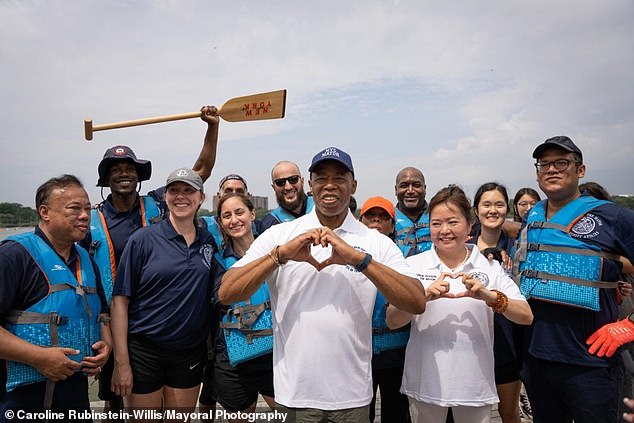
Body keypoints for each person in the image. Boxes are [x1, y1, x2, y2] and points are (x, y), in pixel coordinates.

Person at [218, 147, 426, 421]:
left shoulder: (376, 242)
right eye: (321, 178)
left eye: (339, 177)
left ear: (354, 185)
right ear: (310, 185)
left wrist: (358, 259)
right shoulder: (281, 235)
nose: (330, 185)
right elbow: (227, 291)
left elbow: (416, 301)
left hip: (353, 396)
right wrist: (280, 255)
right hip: (294, 394)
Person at [83, 106, 220, 417]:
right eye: (115, 169)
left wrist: (212, 128)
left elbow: (199, 171)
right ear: (106, 178)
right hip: (113, 321)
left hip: (168, 326)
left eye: (129, 168)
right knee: (114, 400)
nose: (123, 172)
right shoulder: (92, 219)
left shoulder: (158, 202)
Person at [387, 185, 533, 423]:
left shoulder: (489, 266)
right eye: (436, 223)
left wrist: (491, 297)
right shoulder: (412, 265)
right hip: (426, 383)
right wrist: (421, 297)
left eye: (453, 222)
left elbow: (526, 316)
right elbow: (392, 321)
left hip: (474, 386)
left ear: (469, 224)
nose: (444, 230)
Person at [514, 135, 634, 423]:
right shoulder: (533, 216)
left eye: (562, 163)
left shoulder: (613, 216)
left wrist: (630, 326)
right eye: (544, 164)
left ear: (580, 170)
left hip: (590, 363)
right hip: (537, 360)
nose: (552, 169)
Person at [0, 175, 111, 418]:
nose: (84, 215)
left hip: (74, 395)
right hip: (20, 401)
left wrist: (107, 346)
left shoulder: (86, 260)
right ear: (45, 212)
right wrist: (39, 357)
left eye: (87, 209)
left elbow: (102, 313)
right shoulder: (13, 256)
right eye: (74, 208)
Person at [110, 167, 215, 414]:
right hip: (145, 350)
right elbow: (120, 301)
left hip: (189, 351)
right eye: (174, 190)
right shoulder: (142, 239)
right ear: (165, 197)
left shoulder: (207, 242)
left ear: (201, 197)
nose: (181, 196)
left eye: (189, 190)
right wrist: (121, 362)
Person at [212, 193, 276, 421]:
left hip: (276, 355)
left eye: (239, 213)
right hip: (234, 359)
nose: (234, 220)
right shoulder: (217, 261)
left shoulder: (276, 251)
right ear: (220, 223)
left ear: (252, 214)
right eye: (226, 216)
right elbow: (220, 299)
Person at [471, 182, 522, 423]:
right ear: (475, 210)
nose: (493, 210)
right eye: (486, 204)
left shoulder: (519, 247)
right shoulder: (463, 245)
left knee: (509, 413)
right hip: (470, 337)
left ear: (508, 209)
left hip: (507, 338)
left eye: (499, 204)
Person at [359, 196, 411, 423]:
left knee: (397, 414)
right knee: (361, 413)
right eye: (371, 216)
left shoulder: (404, 256)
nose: (376, 221)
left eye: (383, 217)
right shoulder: (348, 253)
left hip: (397, 350)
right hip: (361, 351)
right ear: (360, 220)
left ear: (392, 225)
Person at [260, 161, 313, 232]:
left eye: (293, 179)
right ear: (274, 187)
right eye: (280, 182)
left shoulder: (320, 206)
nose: (288, 187)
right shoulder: (269, 224)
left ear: (302, 181)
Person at [394, 167, 432, 256]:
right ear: (396, 190)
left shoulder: (438, 216)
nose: (410, 191)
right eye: (404, 186)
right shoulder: (387, 218)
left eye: (416, 185)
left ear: (424, 188)